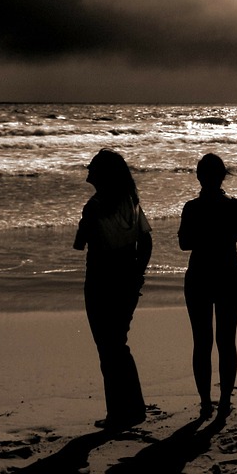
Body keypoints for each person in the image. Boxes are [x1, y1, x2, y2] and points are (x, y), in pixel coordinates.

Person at [73, 149, 152, 432]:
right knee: (118, 344)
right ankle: (133, 407)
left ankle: (119, 412)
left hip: (100, 281)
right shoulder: (131, 202)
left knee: (107, 348)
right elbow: (146, 244)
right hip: (126, 280)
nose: (88, 169)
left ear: (102, 174)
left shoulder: (94, 207)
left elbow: (80, 243)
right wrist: (137, 275)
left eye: (93, 166)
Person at [178, 153, 237, 420]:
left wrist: (203, 235)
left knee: (202, 342)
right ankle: (225, 400)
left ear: (199, 176)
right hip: (228, 273)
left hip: (199, 275)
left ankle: (206, 401)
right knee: (226, 341)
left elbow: (185, 244)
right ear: (223, 176)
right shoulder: (236, 207)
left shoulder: (191, 208)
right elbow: (235, 235)